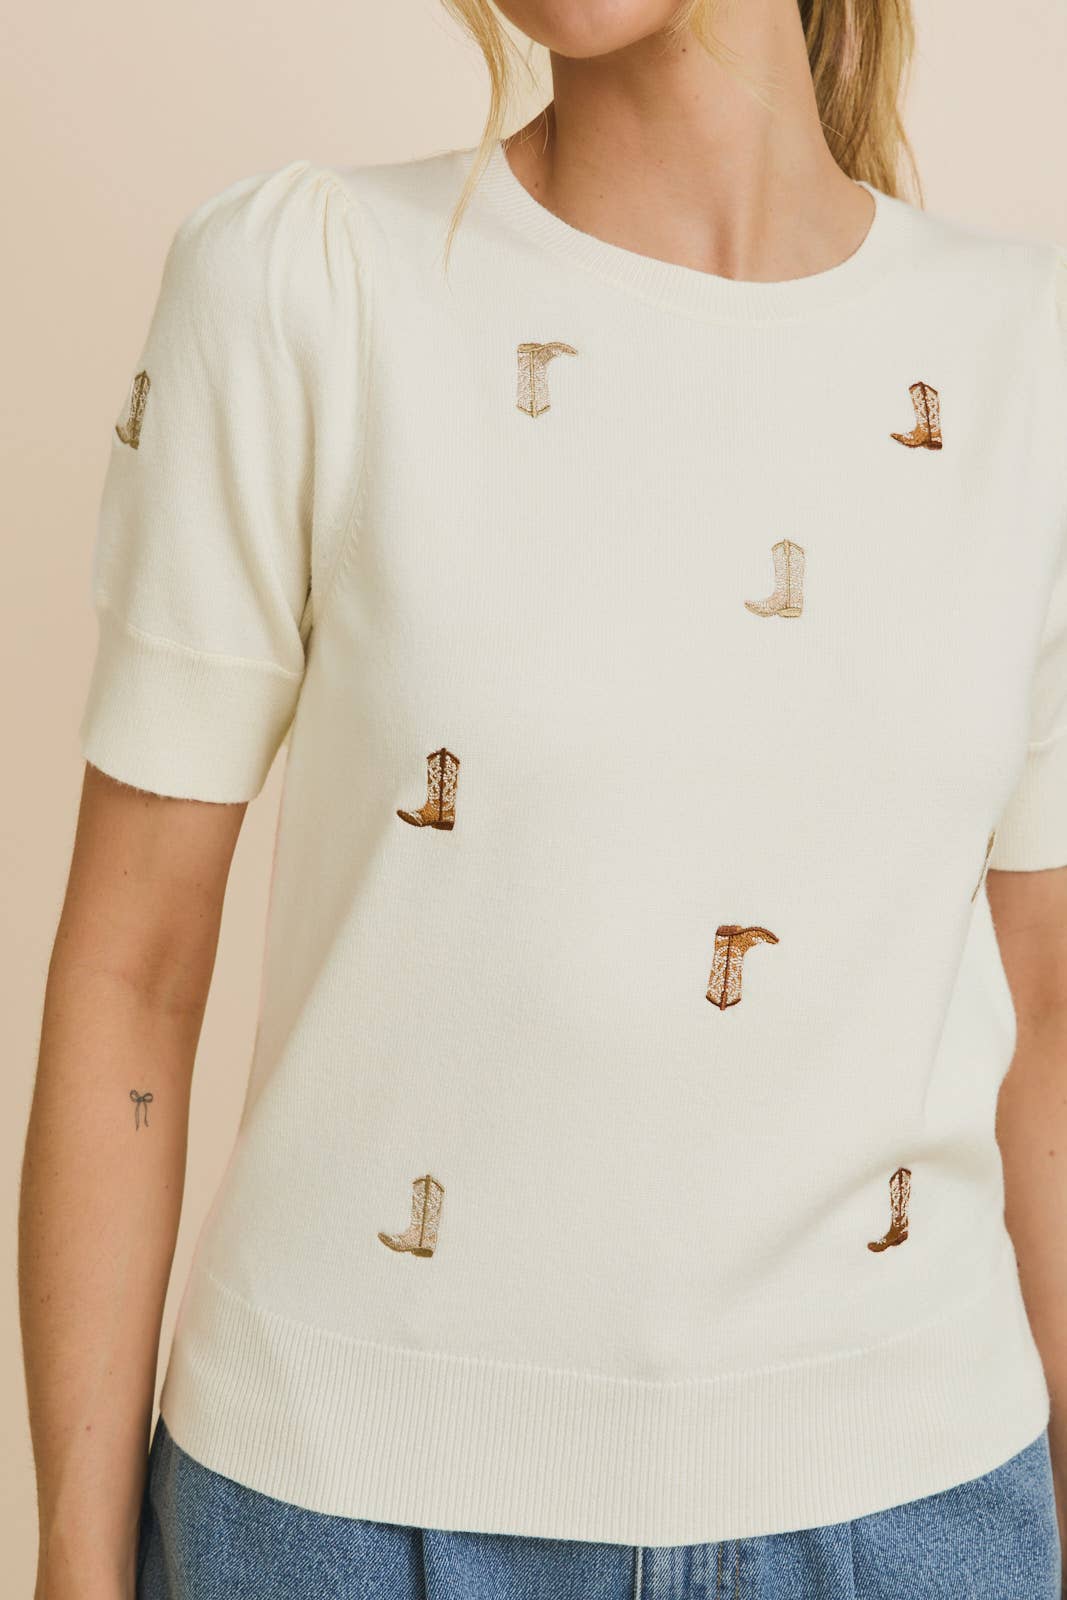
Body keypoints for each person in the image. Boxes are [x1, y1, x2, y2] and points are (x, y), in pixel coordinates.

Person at [19, 0, 1067, 1596]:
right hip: (338, 1514)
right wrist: (76, 1567)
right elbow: (133, 974)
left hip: (914, 1514)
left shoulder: (1025, 361)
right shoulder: (306, 284)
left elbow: (1051, 1010)